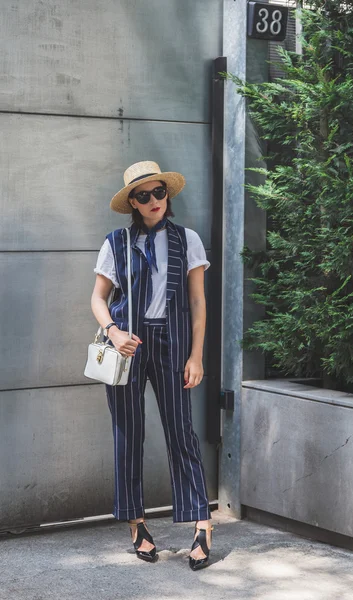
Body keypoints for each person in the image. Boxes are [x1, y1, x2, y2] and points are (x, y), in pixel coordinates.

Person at [90, 160, 213, 570]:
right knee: (129, 434)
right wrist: (113, 331)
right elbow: (97, 298)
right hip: (127, 345)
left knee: (181, 431)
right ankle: (137, 525)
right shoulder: (116, 242)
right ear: (132, 203)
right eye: (143, 196)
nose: (153, 201)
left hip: (174, 343)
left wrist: (196, 355)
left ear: (168, 195)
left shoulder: (187, 240)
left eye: (159, 192)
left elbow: (197, 302)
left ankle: (201, 525)